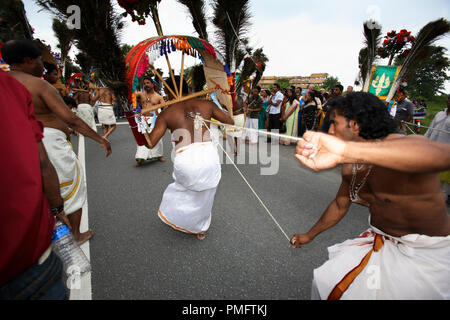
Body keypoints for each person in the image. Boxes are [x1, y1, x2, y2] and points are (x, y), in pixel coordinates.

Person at [292, 92, 450, 300]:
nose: (329, 131)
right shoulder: (350, 163)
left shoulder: (405, 146)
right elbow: (340, 204)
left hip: (426, 257)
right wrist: (309, 235)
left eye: (334, 123)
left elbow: (441, 156)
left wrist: (347, 149)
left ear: (355, 125)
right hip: (381, 242)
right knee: (325, 281)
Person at [2, 39, 112, 245]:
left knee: (35, 191)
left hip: (15, 149)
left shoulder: (4, 83)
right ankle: (76, 235)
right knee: (71, 188)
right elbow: (70, 118)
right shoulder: (38, 84)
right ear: (27, 60)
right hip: (49, 145)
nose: (42, 66)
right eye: (39, 61)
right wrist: (100, 139)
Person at [0, 70, 69, 300]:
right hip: (27, 259)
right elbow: (41, 162)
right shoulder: (10, 86)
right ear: (29, 60)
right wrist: (58, 208)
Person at [146, 76, 234, 240]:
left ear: (168, 92)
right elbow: (229, 121)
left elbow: (150, 143)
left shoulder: (166, 114)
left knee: (183, 191)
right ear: (188, 88)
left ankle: (180, 220)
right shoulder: (207, 104)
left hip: (185, 159)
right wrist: (226, 106)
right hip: (209, 156)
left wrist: (139, 128)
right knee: (205, 194)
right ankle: (201, 228)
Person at [134, 77, 166, 167]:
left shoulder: (158, 97)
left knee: (157, 138)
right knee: (142, 138)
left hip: (154, 119)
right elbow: (132, 97)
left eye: (148, 83)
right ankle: (140, 159)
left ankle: (159, 155)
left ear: (152, 84)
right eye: (144, 83)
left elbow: (165, 108)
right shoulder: (140, 94)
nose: (146, 85)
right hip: (142, 119)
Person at [425, 95, 450, 206]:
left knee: (443, 183)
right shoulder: (440, 114)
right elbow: (430, 130)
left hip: (445, 155)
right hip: (430, 151)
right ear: (447, 101)